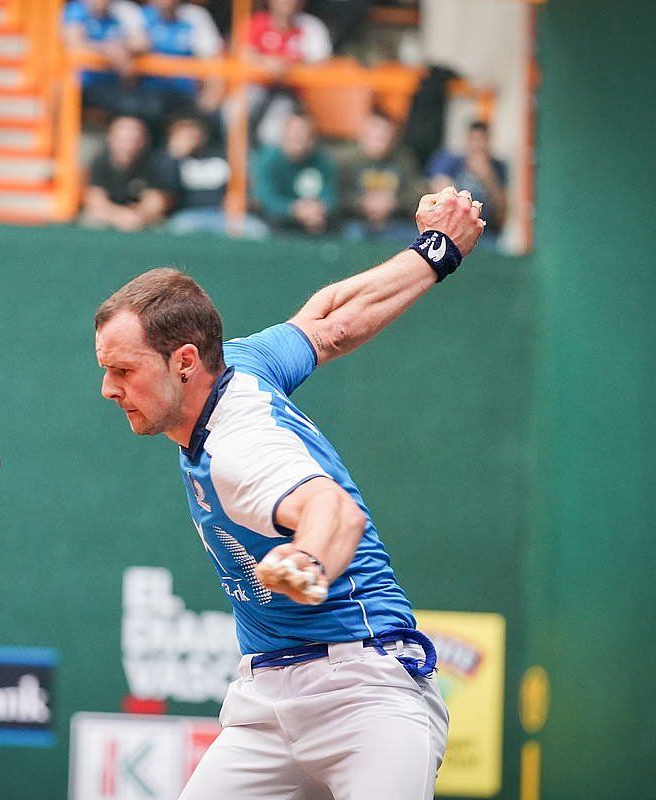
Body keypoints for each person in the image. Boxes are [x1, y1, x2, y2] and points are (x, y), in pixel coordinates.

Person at [94, 185, 485, 799]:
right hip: (267, 704)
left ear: (185, 361)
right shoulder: (244, 363)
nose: (108, 388)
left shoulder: (239, 449)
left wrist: (307, 558)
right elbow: (330, 322)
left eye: (123, 370)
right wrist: (436, 252)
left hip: (365, 693)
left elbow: (334, 510)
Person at [241, 0, 332, 146]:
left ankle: (264, 166)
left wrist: (290, 68)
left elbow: (322, 64)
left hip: (292, 94)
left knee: (271, 132)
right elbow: (243, 53)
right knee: (234, 116)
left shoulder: (311, 26)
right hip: (256, 87)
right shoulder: (256, 22)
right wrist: (265, 62)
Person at [162, 115, 268, 239]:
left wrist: (240, 199)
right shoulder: (170, 161)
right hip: (189, 214)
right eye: (185, 133)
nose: (192, 136)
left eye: (195, 130)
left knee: (258, 231)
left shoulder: (224, 155)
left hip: (226, 215)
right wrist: (173, 156)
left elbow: (247, 185)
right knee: (178, 227)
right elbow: (164, 189)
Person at [339, 107, 424, 242]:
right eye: (376, 135)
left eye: (385, 135)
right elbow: (337, 193)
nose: (381, 139)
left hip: (394, 222)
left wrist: (394, 202)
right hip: (356, 222)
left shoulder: (404, 160)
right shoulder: (347, 160)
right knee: (352, 234)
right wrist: (361, 203)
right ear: (363, 134)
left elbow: (416, 193)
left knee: (416, 238)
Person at [250, 113, 338, 235]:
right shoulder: (267, 160)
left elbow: (330, 196)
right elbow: (264, 198)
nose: (299, 137)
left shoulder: (322, 161)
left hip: (315, 221)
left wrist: (319, 209)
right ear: (284, 135)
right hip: (274, 222)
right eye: (295, 134)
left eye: (304, 135)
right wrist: (293, 209)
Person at [61, 0, 151, 118]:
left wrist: (120, 46)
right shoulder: (76, 9)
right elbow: (74, 43)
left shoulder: (123, 9)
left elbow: (142, 43)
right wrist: (106, 49)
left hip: (116, 87)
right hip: (82, 87)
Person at [81, 115, 173, 231]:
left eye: (133, 139)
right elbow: (95, 199)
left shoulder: (156, 162)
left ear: (144, 140)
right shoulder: (99, 161)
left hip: (143, 219)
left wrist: (138, 215)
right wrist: (119, 216)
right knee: (90, 220)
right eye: (123, 139)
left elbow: (157, 202)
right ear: (110, 138)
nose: (128, 145)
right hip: (110, 217)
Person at [139, 0, 224, 118]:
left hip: (186, 96)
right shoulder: (139, 15)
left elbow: (213, 60)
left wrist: (211, 96)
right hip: (147, 96)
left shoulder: (195, 16)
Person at [427, 120, 508, 234]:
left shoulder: (498, 167)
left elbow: (502, 214)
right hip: (453, 229)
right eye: (474, 140)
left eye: (482, 140)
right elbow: (435, 190)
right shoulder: (451, 161)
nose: (477, 146)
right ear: (467, 140)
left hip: (485, 230)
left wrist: (488, 178)